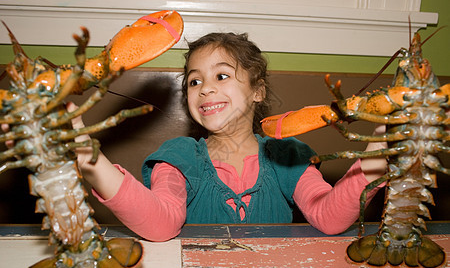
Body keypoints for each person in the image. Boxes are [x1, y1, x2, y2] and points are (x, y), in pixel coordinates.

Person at [72, 32, 387, 242]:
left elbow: (328, 217)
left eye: (221, 76)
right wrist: (94, 164)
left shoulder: (286, 154)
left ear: (257, 91)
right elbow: (161, 222)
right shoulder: (180, 157)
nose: (205, 88)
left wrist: (376, 158)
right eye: (194, 82)